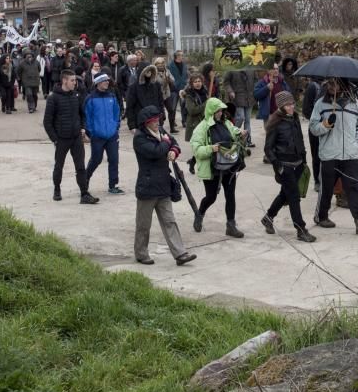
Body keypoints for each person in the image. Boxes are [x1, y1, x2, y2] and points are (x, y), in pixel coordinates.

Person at [132, 106, 196, 266]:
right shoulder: (139, 138)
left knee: (170, 221)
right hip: (147, 187)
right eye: (153, 121)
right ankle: (141, 253)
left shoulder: (161, 131)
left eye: (158, 119)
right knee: (143, 225)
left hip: (163, 185)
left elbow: (174, 143)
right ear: (145, 123)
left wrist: (174, 151)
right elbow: (155, 152)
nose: (157, 123)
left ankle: (180, 254)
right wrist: (167, 144)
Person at [309, 78, 358, 236]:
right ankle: (321, 216)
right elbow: (313, 128)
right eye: (328, 83)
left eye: (334, 83)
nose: (330, 86)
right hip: (329, 154)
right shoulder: (320, 105)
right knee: (326, 189)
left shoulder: (355, 104)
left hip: (351, 155)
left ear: (343, 85)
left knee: (354, 188)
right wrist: (325, 125)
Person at [262, 91, 317, 243]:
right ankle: (301, 229)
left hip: (298, 163)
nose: (291, 106)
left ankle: (268, 217)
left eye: (292, 103)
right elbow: (268, 149)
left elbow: (299, 139)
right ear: (281, 106)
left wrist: (304, 159)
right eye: (287, 104)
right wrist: (278, 166)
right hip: (284, 166)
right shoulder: (275, 122)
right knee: (294, 196)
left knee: (285, 194)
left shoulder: (295, 118)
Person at [190, 97, 247, 238]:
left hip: (228, 166)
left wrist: (240, 133)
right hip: (212, 168)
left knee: (230, 195)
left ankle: (231, 225)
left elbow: (233, 131)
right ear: (211, 111)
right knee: (211, 197)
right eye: (218, 111)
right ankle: (200, 213)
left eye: (222, 110)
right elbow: (196, 150)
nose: (221, 113)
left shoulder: (226, 123)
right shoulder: (201, 128)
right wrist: (211, 148)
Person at [44, 69, 98, 204]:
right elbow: (47, 122)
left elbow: (82, 114)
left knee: (80, 167)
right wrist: (55, 139)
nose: (75, 83)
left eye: (75, 80)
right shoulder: (53, 98)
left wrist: (83, 128)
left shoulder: (76, 96)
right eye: (73, 80)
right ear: (64, 81)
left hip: (76, 138)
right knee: (59, 166)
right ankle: (57, 189)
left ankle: (84, 194)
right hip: (61, 139)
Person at [84, 73, 124, 195]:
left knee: (114, 159)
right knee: (96, 160)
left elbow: (117, 113)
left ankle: (113, 185)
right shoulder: (90, 98)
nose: (107, 82)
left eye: (107, 80)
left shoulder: (112, 96)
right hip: (97, 136)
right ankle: (84, 180)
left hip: (112, 135)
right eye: (104, 81)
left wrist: (116, 126)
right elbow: (87, 117)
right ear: (97, 83)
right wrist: (91, 132)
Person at [254, 66, 290, 163]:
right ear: (268, 70)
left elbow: (288, 93)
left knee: (281, 135)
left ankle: (277, 154)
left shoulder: (282, 81)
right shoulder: (263, 81)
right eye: (273, 68)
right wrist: (266, 88)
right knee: (270, 136)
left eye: (277, 69)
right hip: (269, 113)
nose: (276, 70)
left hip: (281, 113)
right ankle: (268, 156)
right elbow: (256, 95)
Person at [125, 64, 165, 133]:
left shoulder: (156, 85)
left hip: (155, 120)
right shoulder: (134, 87)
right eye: (147, 70)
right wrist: (132, 125)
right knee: (143, 142)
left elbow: (160, 102)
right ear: (142, 72)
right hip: (141, 122)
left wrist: (162, 116)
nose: (149, 72)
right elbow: (130, 107)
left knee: (157, 142)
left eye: (151, 70)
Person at [223, 67, 256, 147]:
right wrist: (230, 91)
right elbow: (226, 82)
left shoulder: (251, 68)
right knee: (240, 117)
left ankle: (247, 141)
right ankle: (232, 136)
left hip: (250, 98)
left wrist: (255, 91)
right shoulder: (232, 68)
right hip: (237, 97)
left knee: (247, 120)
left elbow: (256, 80)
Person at [301, 76, 323, 191]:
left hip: (330, 128)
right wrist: (317, 121)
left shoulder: (334, 86)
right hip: (316, 127)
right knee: (317, 156)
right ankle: (318, 181)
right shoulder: (313, 87)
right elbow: (305, 110)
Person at [151, 57, 176, 130]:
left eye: (162, 63)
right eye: (159, 63)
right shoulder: (153, 72)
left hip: (167, 94)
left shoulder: (167, 71)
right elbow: (152, 82)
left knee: (171, 110)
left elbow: (173, 80)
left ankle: (172, 128)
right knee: (160, 111)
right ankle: (160, 128)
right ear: (156, 64)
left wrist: (168, 78)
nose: (161, 65)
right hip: (158, 95)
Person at [167, 50, 188, 133]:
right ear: (177, 56)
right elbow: (168, 77)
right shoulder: (170, 65)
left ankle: (184, 121)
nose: (182, 56)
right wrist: (173, 86)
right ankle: (173, 122)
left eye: (182, 55)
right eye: (180, 55)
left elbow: (186, 75)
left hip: (183, 88)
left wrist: (186, 85)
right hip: (174, 89)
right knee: (173, 107)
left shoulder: (184, 65)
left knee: (184, 106)